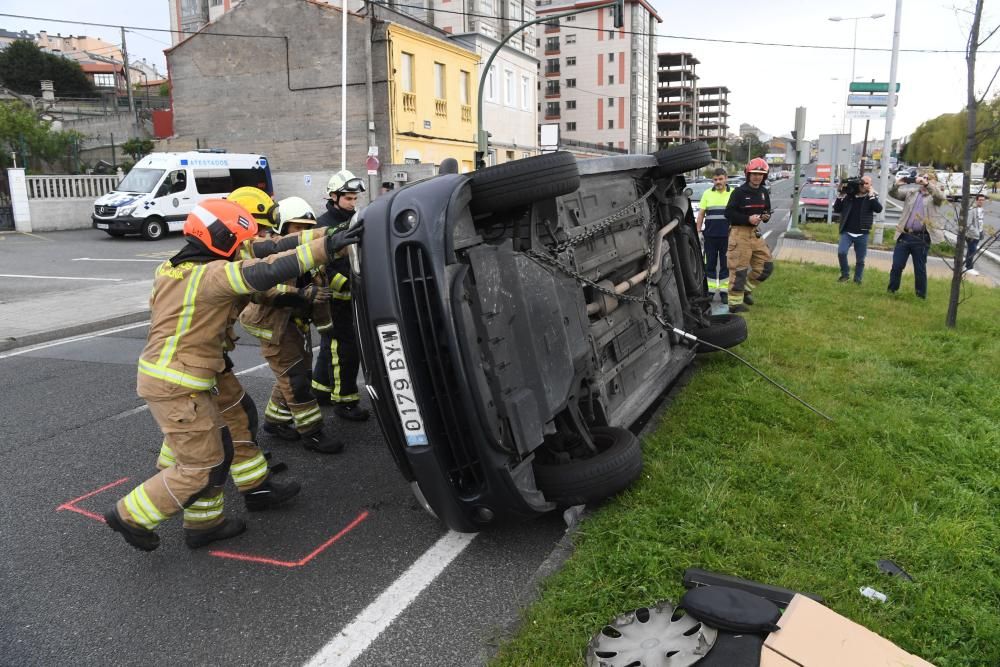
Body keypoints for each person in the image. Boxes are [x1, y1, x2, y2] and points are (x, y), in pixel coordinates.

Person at [105, 198, 360, 552]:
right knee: (202, 465)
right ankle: (130, 515)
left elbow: (274, 246)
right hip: (180, 381)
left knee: (236, 422)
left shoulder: (175, 266)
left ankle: (210, 520)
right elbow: (267, 268)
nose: (244, 247)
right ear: (220, 237)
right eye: (238, 241)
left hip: (195, 370)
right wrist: (329, 248)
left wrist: (333, 232)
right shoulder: (212, 275)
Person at [155, 188, 301, 515]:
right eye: (257, 230)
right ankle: (225, 488)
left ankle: (244, 483)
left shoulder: (186, 265)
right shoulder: (211, 271)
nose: (261, 238)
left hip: (201, 363)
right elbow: (258, 276)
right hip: (197, 366)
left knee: (223, 420)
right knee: (220, 426)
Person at [241, 196, 345, 454]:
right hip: (274, 326)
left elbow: (320, 292)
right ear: (282, 229)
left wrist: (326, 326)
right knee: (296, 380)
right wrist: (300, 294)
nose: (303, 234)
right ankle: (312, 433)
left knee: (292, 375)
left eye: (307, 228)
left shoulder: (311, 261)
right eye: (297, 228)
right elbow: (261, 289)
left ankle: (275, 422)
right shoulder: (271, 258)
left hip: (296, 326)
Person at [312, 170, 370, 422]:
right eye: (348, 198)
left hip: (347, 298)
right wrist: (349, 284)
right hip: (337, 300)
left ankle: (321, 388)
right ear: (333, 196)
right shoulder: (324, 225)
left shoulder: (352, 220)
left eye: (355, 199)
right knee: (346, 350)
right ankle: (345, 402)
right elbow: (323, 266)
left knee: (330, 346)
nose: (353, 203)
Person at [724, 157, 774, 314]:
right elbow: (728, 213)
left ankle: (745, 291)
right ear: (748, 174)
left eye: (760, 174)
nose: (757, 177)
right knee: (739, 270)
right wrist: (747, 218)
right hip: (739, 234)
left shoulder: (764, 192)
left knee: (766, 266)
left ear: (764, 176)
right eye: (754, 174)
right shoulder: (739, 192)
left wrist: (766, 216)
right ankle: (734, 304)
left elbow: (767, 210)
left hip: (755, 234)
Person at [888, 172, 945, 299]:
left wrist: (927, 184)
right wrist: (897, 185)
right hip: (905, 235)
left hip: (922, 237)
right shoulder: (912, 193)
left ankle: (920, 295)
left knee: (919, 269)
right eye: (922, 177)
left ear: (933, 182)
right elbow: (893, 194)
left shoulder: (934, 195)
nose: (922, 180)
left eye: (927, 178)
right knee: (897, 265)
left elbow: (940, 197)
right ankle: (891, 291)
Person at [833, 175, 882, 284]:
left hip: (862, 233)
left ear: (870, 185)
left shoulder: (871, 197)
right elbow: (837, 208)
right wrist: (841, 193)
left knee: (860, 260)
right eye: (862, 183)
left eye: (866, 183)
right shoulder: (850, 196)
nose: (863, 185)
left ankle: (857, 280)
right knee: (841, 252)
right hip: (847, 231)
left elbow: (878, 209)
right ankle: (845, 275)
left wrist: (871, 194)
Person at [697, 168, 732, 304]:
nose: (718, 182)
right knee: (709, 265)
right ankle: (710, 292)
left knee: (725, 265)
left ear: (726, 179)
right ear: (713, 180)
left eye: (720, 179)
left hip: (727, 237)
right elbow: (701, 214)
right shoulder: (707, 193)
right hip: (710, 237)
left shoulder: (733, 193)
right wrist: (699, 231)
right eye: (715, 179)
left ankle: (724, 293)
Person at [965, 193, 986, 276]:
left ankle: (967, 267)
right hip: (971, 235)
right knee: (972, 251)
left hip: (978, 234)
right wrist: (976, 232)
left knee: (971, 251)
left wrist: (981, 232)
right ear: (976, 200)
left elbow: (981, 222)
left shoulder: (982, 210)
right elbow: (968, 224)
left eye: (983, 200)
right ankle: (969, 268)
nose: (981, 202)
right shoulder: (972, 210)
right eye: (980, 200)